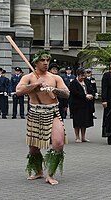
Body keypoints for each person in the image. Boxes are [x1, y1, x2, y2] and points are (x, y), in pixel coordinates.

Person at [16, 50, 69, 185]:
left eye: (47, 61)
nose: (46, 63)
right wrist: (35, 85)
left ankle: (50, 174)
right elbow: (19, 91)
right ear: (36, 62)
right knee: (34, 148)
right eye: (42, 60)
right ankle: (39, 171)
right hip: (35, 113)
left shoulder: (55, 78)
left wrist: (53, 90)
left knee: (58, 144)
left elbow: (66, 93)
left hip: (53, 112)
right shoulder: (28, 77)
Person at [69, 67, 95, 143]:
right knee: (77, 121)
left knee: (85, 120)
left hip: (86, 104)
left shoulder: (87, 81)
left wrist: (91, 95)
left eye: (84, 76)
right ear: (78, 75)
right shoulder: (73, 83)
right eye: (82, 76)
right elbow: (75, 93)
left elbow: (91, 89)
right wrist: (85, 96)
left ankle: (83, 137)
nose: (83, 78)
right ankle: (77, 137)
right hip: (77, 105)